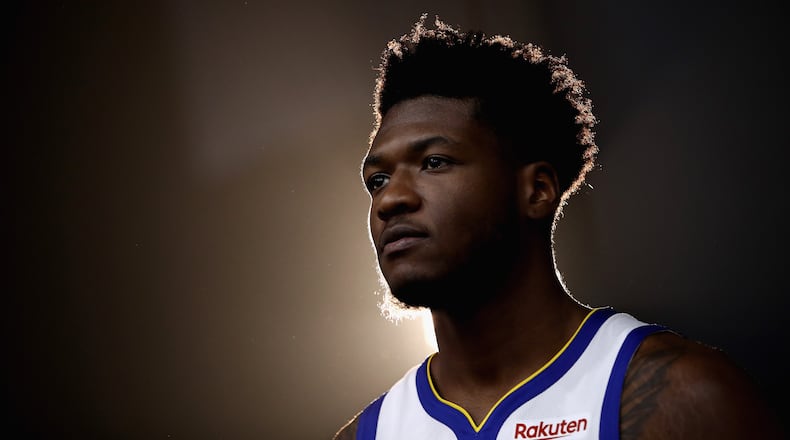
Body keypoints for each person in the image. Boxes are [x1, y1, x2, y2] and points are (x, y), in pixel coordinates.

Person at [333, 14, 783, 440]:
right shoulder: (369, 433)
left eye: (434, 162)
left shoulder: (681, 399)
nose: (390, 199)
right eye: (378, 180)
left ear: (537, 190)